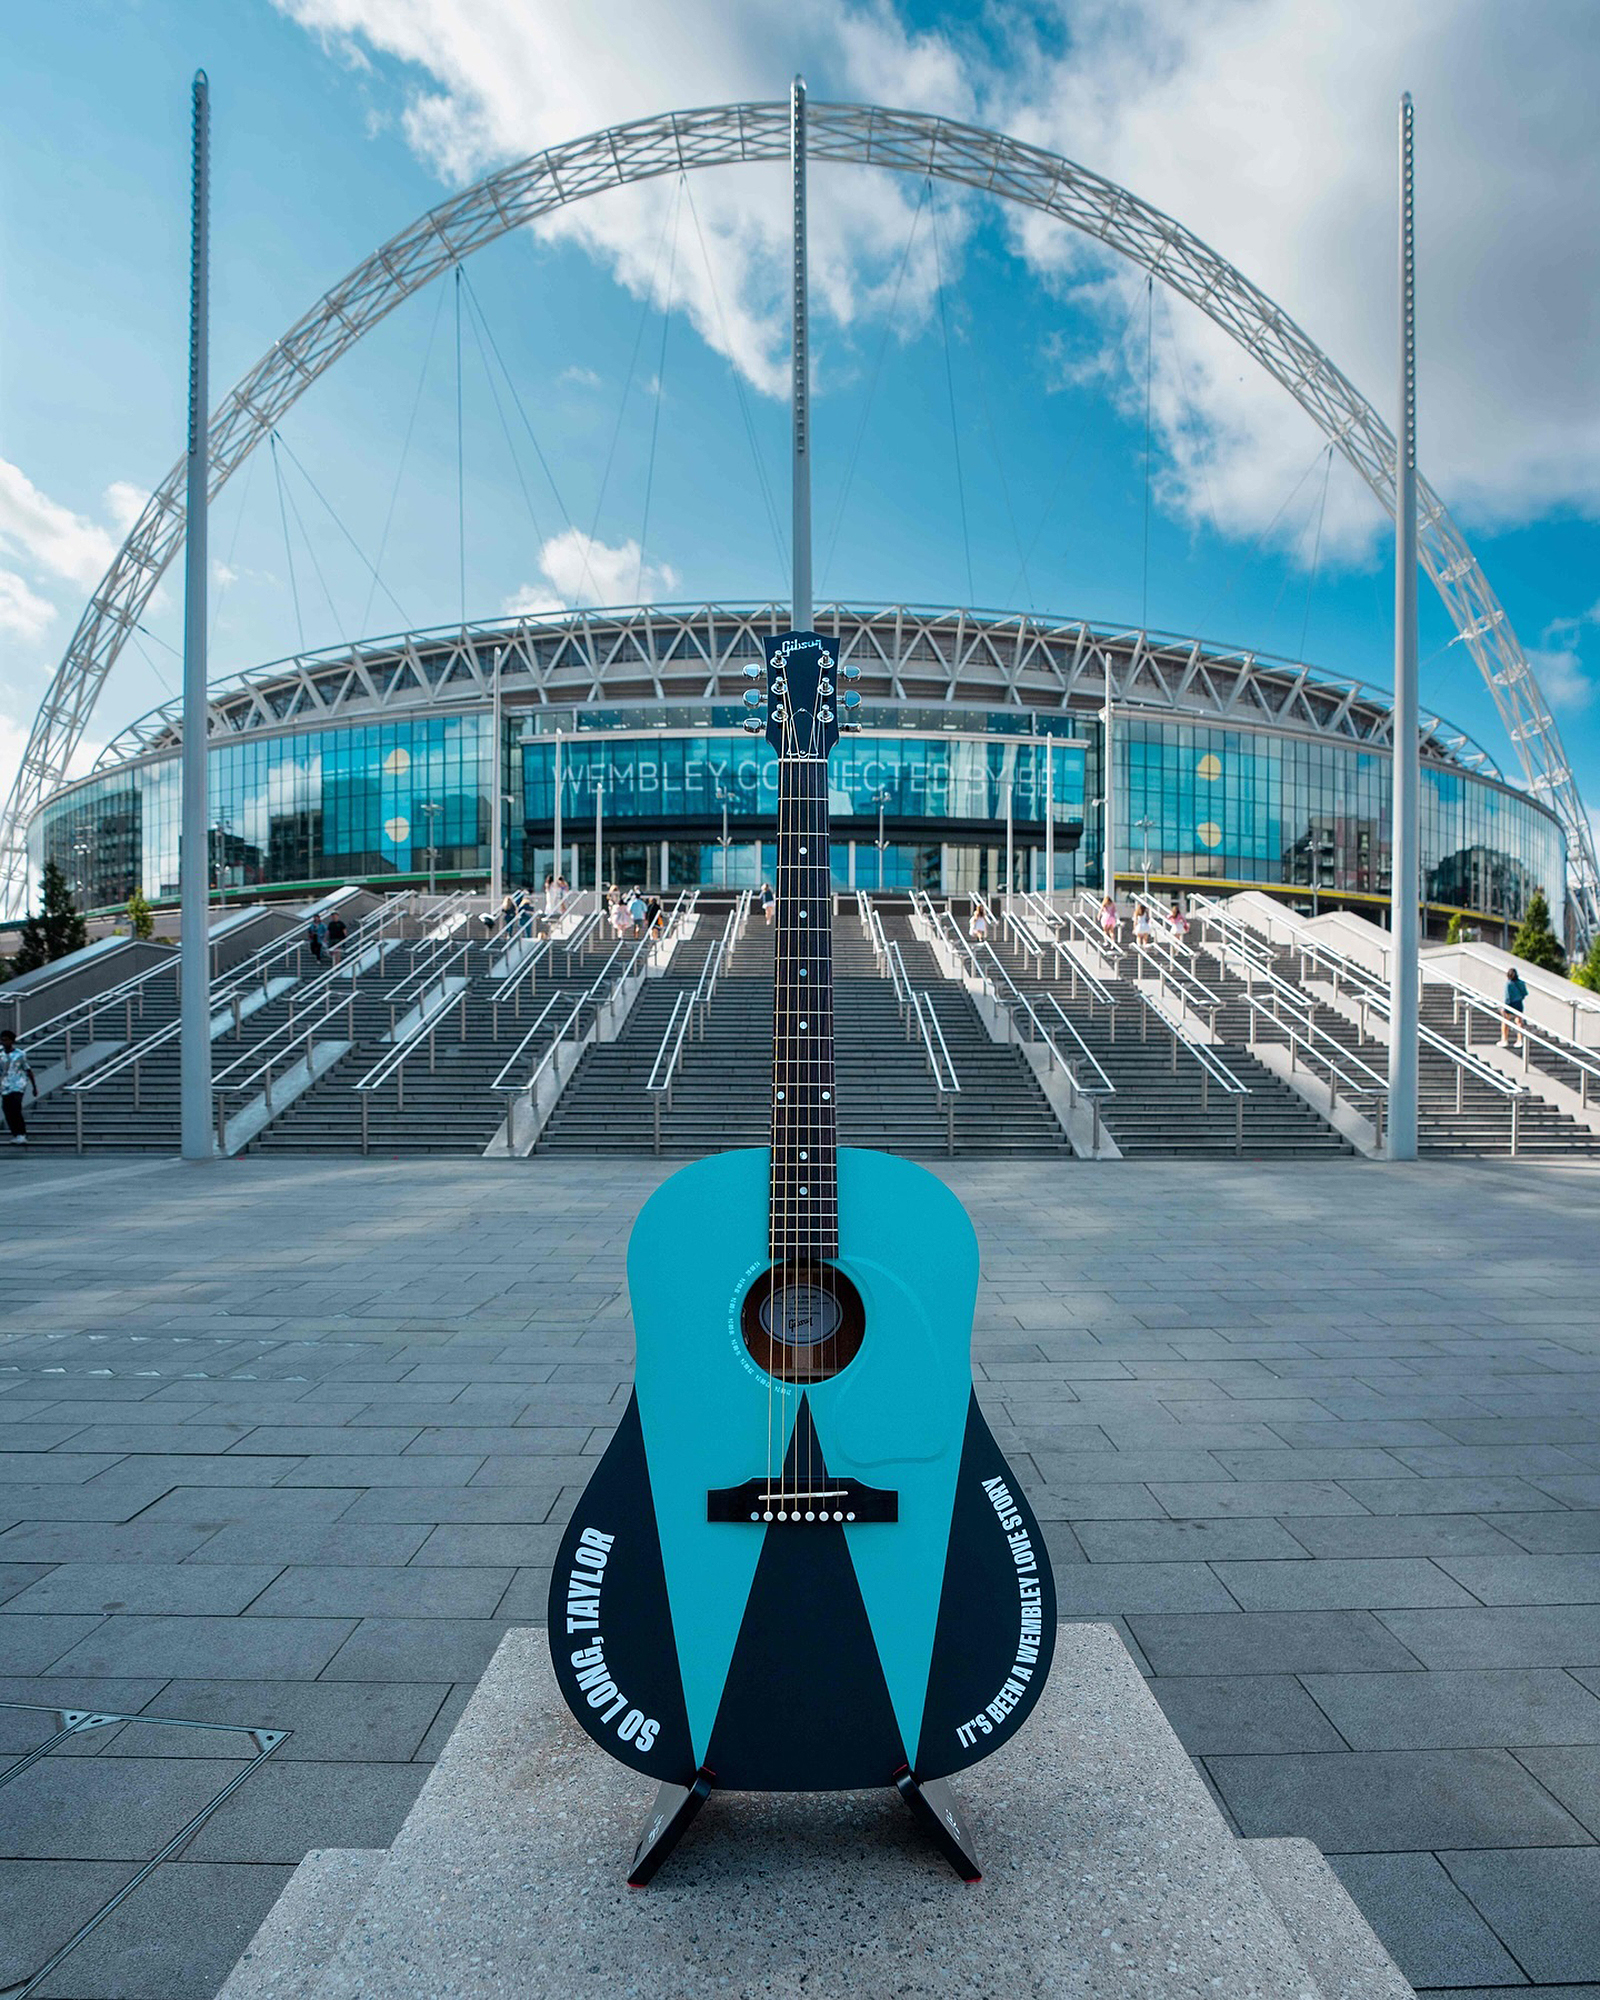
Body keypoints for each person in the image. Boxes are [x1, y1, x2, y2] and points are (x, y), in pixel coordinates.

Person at [0, 1030, 37, 1146]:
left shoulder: (20, 1054)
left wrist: (34, 1087)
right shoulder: (0, 1055)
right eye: (2, 1040)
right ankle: (15, 1133)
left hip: (18, 1084)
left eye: (6, 1040)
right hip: (5, 1085)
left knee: (15, 1108)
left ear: (12, 1041)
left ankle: (22, 1133)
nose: (3, 1042)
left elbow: (27, 1069)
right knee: (7, 1109)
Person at [1502, 966, 1529, 1049]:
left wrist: (1504, 1007)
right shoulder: (1521, 982)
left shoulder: (1508, 983)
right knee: (1519, 1021)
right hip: (1519, 1003)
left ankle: (1505, 1039)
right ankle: (1519, 1040)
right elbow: (1525, 993)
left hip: (1510, 1003)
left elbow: (1507, 996)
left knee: (1505, 1020)